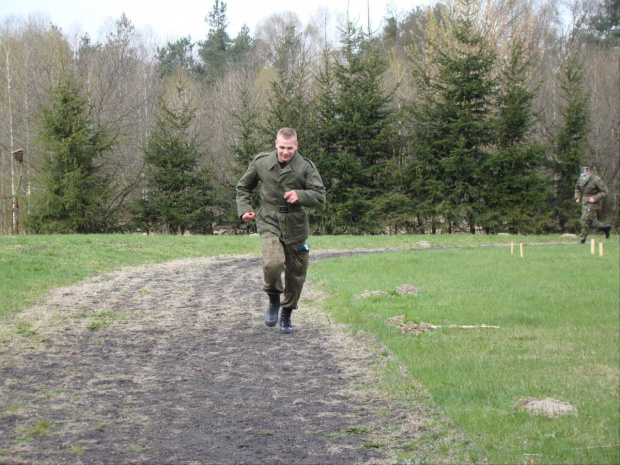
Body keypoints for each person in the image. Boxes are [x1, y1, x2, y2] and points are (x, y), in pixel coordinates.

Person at [236, 128, 326, 334]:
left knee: (296, 274)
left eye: (290, 148)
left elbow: (320, 195)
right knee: (273, 263)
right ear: (276, 144)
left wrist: (301, 195)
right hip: (268, 219)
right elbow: (243, 188)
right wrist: (245, 210)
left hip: (295, 224)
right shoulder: (261, 163)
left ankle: (287, 313)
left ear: (296, 146)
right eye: (282, 147)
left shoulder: (305, 166)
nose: (286, 152)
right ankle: (274, 298)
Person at [574, 166, 611, 243]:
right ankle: (604, 228)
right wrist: (577, 197)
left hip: (592, 203)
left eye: (586, 173)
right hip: (584, 203)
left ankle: (582, 240)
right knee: (589, 221)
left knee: (584, 220)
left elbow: (605, 191)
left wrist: (595, 198)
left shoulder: (596, 180)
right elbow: (577, 188)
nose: (584, 175)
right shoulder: (581, 179)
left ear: (590, 172)